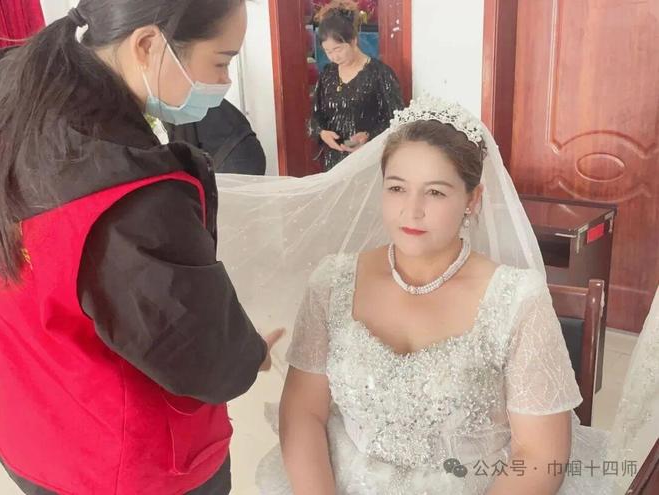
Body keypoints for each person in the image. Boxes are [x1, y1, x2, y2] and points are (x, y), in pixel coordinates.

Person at [243, 97, 613, 494]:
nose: (412, 210)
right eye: (397, 188)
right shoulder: (332, 283)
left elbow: (540, 453)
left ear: (472, 200)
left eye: (435, 192)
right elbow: (303, 412)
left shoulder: (517, 300)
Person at [0, 1, 282, 494]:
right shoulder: (129, 197)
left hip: (28, 421)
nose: (225, 82)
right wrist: (248, 353)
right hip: (123, 465)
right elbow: (201, 352)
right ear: (149, 45)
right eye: (221, 62)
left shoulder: (19, 98)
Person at [310, 0, 404, 171]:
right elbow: (316, 115)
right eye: (328, 52)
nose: (334, 57)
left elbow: (397, 119)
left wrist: (369, 136)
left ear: (353, 40)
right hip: (334, 163)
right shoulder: (328, 74)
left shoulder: (379, 73)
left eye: (338, 49)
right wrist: (322, 133)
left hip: (368, 161)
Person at [167, 99, 267, 175]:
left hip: (231, 155)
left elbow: (183, 152)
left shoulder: (172, 103)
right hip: (249, 145)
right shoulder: (192, 93)